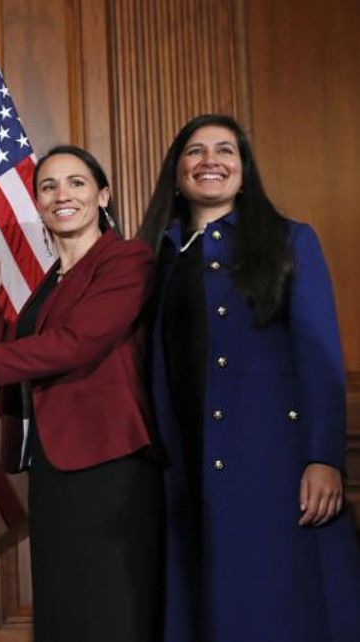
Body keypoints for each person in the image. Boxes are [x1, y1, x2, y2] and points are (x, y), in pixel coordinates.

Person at [0, 146, 164, 641]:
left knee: (110, 611)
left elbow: (73, 346)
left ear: (103, 195)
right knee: (65, 609)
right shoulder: (53, 281)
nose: (62, 195)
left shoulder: (127, 259)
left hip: (111, 463)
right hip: (56, 463)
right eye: (48, 186)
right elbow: (27, 363)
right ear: (38, 202)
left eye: (77, 183)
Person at [137, 113, 360, 642]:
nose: (210, 161)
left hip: (270, 458)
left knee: (271, 601)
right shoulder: (155, 257)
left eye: (225, 151)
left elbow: (320, 357)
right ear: (176, 172)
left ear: (243, 170)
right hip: (181, 461)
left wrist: (323, 457)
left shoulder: (289, 241)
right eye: (195, 151)